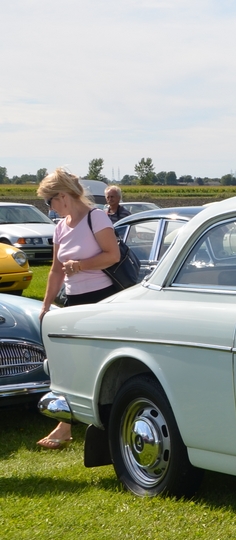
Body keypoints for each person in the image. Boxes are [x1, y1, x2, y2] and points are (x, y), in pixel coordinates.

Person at [35, 168, 121, 449]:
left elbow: (113, 255)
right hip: (73, 301)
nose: (50, 208)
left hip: (102, 299)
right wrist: (47, 305)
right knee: (69, 363)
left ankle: (99, 421)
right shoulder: (60, 226)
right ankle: (66, 425)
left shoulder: (96, 217)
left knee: (99, 363)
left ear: (62, 196)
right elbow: (55, 270)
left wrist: (81, 265)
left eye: (49, 202)